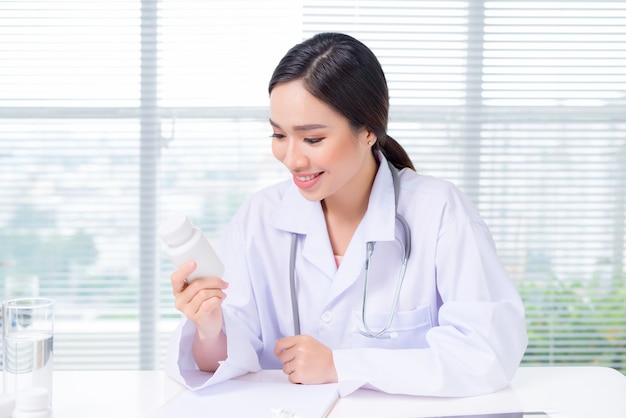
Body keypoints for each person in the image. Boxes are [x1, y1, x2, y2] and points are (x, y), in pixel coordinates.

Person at [165, 32, 528, 397]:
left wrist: (342, 365)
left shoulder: (439, 212)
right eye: (278, 135)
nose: (292, 159)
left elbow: (486, 355)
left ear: (368, 130)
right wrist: (209, 327)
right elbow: (223, 362)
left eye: (313, 139)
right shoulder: (259, 217)